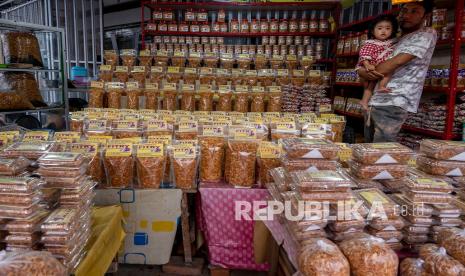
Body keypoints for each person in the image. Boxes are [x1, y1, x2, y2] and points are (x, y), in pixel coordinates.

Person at [357, 0, 437, 142]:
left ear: (426, 16)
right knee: (368, 149)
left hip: (394, 100)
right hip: (375, 100)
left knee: (381, 150)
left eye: (414, 11)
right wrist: (362, 71)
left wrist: (362, 72)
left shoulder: (425, 34)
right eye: (404, 10)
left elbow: (395, 62)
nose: (407, 15)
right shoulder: (395, 40)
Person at [358, 15, 398, 111]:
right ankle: (364, 101)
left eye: (388, 28)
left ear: (392, 31)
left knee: (388, 73)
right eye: (380, 28)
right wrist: (367, 65)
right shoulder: (371, 43)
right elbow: (364, 54)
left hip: (385, 66)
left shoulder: (392, 43)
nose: (383, 31)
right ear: (373, 31)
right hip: (373, 66)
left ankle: (382, 86)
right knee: (370, 85)